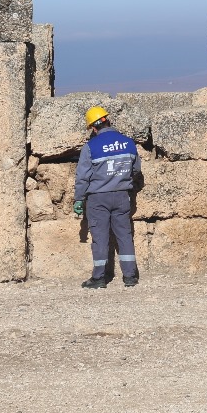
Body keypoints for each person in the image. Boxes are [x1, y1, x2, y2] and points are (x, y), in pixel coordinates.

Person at [73, 106, 143, 289]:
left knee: (100, 238)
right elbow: (136, 170)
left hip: (98, 198)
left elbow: (82, 177)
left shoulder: (90, 147)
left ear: (94, 128)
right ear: (107, 121)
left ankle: (99, 278)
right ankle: (130, 277)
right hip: (122, 195)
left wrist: (79, 199)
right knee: (124, 235)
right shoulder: (128, 143)